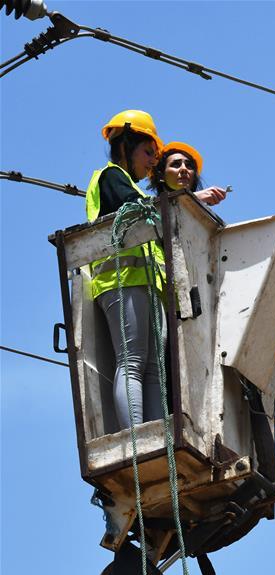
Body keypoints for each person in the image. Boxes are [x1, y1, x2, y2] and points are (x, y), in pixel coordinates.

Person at [85, 109, 167, 431]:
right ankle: (136, 438)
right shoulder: (111, 177)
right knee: (132, 361)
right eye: (148, 152)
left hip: (143, 281)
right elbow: (136, 208)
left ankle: (156, 435)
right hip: (120, 279)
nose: (152, 161)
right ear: (126, 145)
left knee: (152, 368)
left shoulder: (131, 185)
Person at [149, 141, 228, 205]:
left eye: (189, 166)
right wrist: (193, 198)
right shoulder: (146, 209)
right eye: (176, 165)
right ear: (161, 175)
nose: (184, 169)